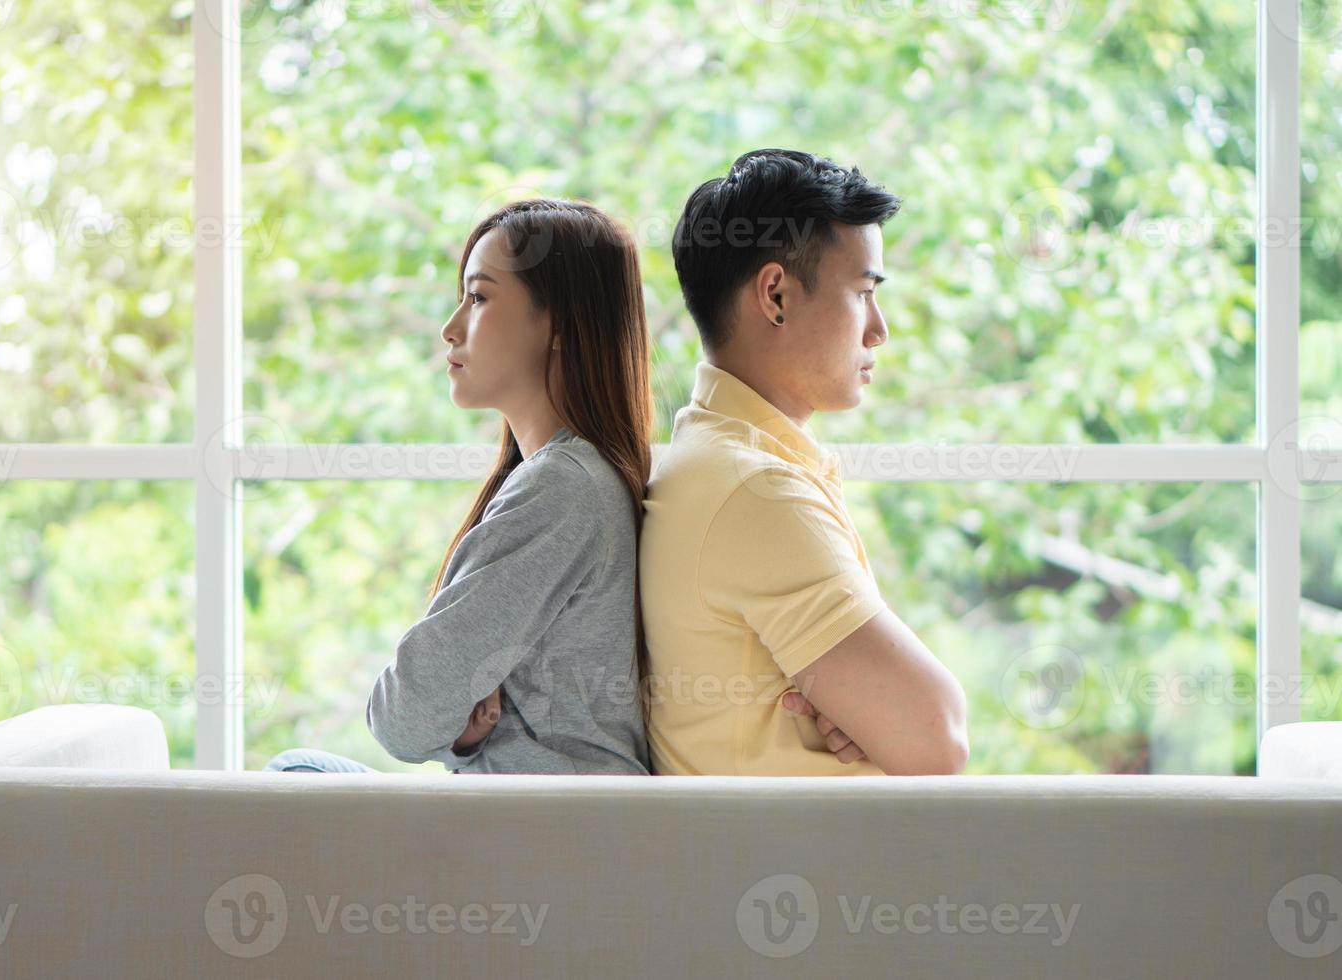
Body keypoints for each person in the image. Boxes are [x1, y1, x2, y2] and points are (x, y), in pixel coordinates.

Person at [265, 199, 653, 775]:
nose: (450, 329)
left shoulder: (561, 489)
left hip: (536, 833)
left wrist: (447, 719)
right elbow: (430, 719)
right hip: (533, 815)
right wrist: (461, 737)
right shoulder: (572, 476)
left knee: (294, 770)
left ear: (559, 325)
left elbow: (402, 717)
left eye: (479, 297)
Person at [640, 149, 969, 776]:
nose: (879, 330)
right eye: (864, 292)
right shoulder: (756, 491)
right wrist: (871, 724)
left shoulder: (717, 461)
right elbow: (939, 737)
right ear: (776, 295)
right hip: (805, 868)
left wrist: (862, 716)